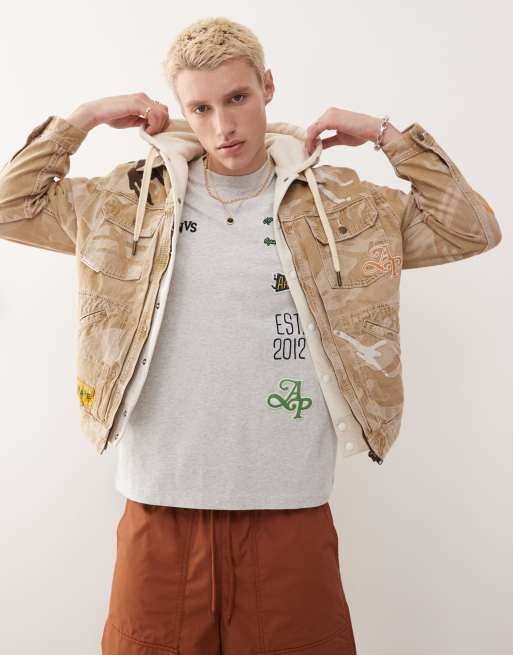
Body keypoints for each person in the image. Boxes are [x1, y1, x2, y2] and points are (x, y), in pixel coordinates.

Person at [0, 16, 501, 655]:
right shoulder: (126, 202)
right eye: (200, 108)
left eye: (237, 98)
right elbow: (11, 206)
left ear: (267, 87)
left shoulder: (342, 205)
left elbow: (471, 229)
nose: (222, 126)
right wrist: (84, 118)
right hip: (160, 503)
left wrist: (385, 136)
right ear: (182, 110)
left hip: (289, 506)